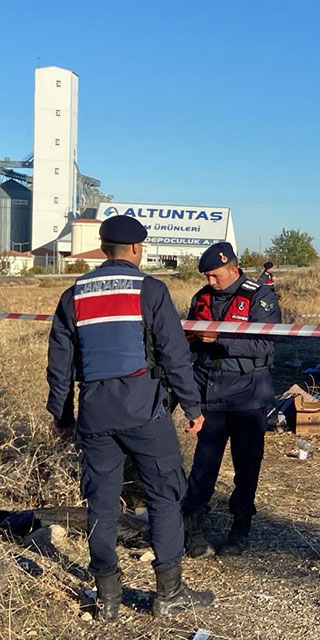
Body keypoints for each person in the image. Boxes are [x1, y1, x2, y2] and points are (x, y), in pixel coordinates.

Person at [45, 216, 214, 619]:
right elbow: (175, 355)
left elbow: (59, 365)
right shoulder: (150, 290)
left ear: (103, 248)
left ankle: (107, 601)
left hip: (96, 414)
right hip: (144, 411)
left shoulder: (73, 296)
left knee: (101, 505)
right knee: (164, 498)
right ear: (137, 249)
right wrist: (192, 407)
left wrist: (63, 416)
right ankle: (169, 594)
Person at [182, 242, 282, 559]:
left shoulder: (258, 295)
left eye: (216, 276)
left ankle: (240, 529)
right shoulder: (202, 298)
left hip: (248, 394)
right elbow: (191, 341)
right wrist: (191, 340)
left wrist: (220, 338)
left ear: (233, 269)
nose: (211, 282)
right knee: (204, 465)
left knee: (247, 464)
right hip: (210, 391)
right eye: (207, 276)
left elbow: (264, 343)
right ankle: (193, 528)